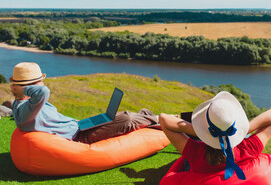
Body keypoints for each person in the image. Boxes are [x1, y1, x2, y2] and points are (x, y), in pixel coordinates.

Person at [9, 62, 159, 144]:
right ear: (29, 87)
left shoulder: (29, 105)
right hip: (78, 138)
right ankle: (161, 120)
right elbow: (43, 92)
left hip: (80, 126)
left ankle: (151, 117)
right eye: (40, 82)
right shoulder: (24, 112)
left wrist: (21, 88)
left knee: (121, 116)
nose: (43, 85)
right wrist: (23, 89)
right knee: (127, 118)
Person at [159, 91, 271, 180]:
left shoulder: (196, 153)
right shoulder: (248, 148)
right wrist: (244, 131)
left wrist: (200, 132)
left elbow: (163, 119)